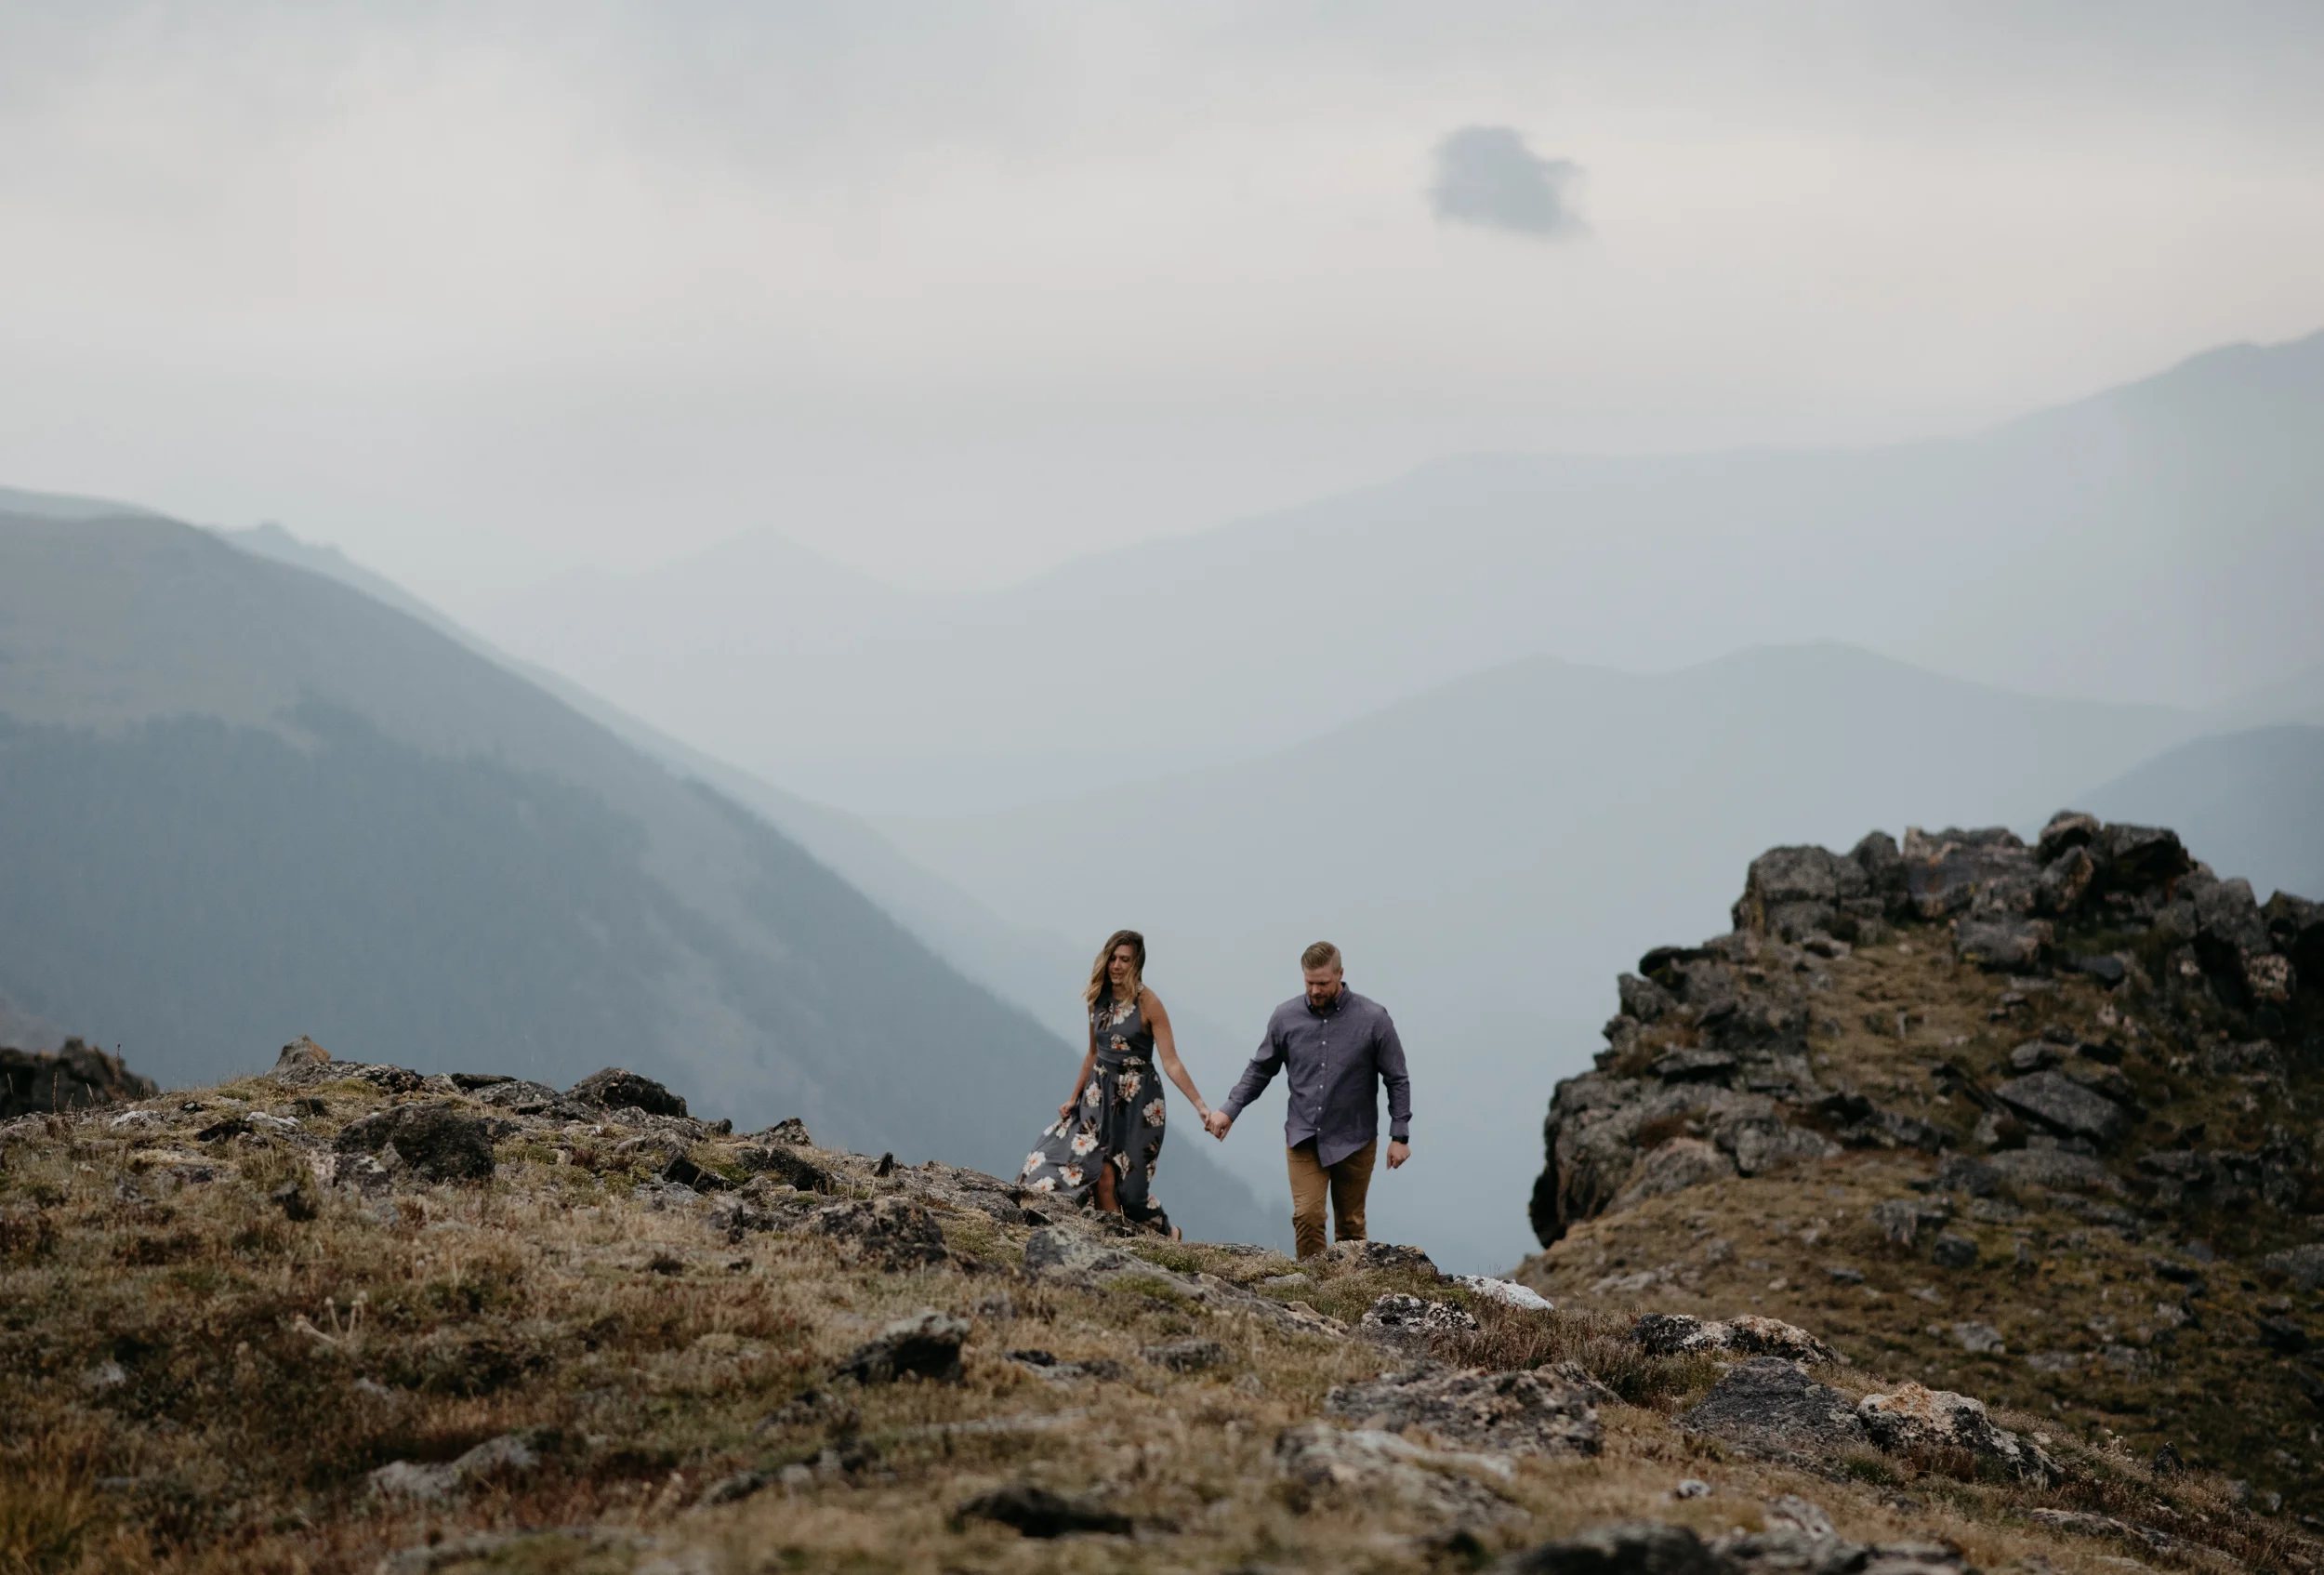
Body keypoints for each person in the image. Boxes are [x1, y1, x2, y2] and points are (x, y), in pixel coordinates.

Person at [1206, 941, 1410, 1260]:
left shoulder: (1373, 1018)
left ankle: (1348, 1293)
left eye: (1323, 983)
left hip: (1355, 1139)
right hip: (1303, 1136)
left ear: (1340, 974)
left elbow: (1396, 1078)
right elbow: (1260, 1069)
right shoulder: (1285, 1018)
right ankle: (1313, 1289)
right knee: (1308, 1217)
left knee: (1351, 1226)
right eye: (1309, 983)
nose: (1315, 990)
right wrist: (1229, 1111)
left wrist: (1400, 1136)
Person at [1018, 929, 1217, 1238]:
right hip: (1098, 1098)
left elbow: (1171, 1061)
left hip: (1140, 1103)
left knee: (1132, 1193)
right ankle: (1116, 1247)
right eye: (1112, 958)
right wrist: (1073, 1098)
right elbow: (1093, 1054)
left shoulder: (1149, 1003)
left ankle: (1168, 1234)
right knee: (1097, 1173)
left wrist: (1201, 1106)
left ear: (1137, 964)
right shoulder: (1097, 1000)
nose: (1116, 965)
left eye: (1124, 959)